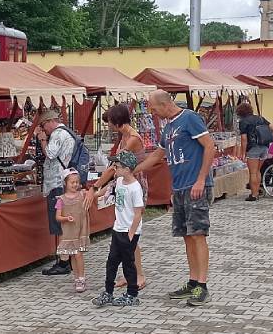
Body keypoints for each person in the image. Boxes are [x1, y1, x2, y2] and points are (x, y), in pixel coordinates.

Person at [90, 90, 214, 307]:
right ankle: (193, 281)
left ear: (165, 104)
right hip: (179, 186)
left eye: (154, 109)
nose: (153, 113)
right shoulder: (168, 127)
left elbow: (209, 146)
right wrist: (132, 170)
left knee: (198, 235)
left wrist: (201, 179)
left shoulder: (190, 118)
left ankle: (202, 286)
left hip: (194, 185)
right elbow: (157, 155)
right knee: (187, 235)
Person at [91, 151, 144, 308]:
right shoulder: (119, 181)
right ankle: (108, 292)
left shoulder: (135, 188)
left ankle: (132, 294)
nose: (115, 169)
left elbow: (138, 213)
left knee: (128, 263)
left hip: (128, 231)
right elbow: (106, 190)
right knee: (111, 262)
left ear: (127, 169)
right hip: (118, 228)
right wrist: (93, 194)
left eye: (118, 166)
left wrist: (131, 233)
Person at [104, 104, 148, 290]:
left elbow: (116, 165)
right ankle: (128, 273)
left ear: (116, 122)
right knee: (123, 232)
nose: (108, 125)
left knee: (132, 232)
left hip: (135, 184)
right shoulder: (123, 136)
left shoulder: (132, 138)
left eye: (109, 122)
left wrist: (98, 185)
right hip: (125, 183)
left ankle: (139, 275)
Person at [34, 109, 77, 276]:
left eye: (44, 126)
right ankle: (68, 258)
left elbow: (50, 154)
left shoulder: (58, 134)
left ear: (51, 121)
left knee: (59, 223)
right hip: (62, 182)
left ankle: (63, 262)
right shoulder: (67, 132)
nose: (44, 130)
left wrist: (43, 140)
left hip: (56, 183)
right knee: (64, 222)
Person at [54, 169, 91, 293]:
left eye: (77, 182)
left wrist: (107, 187)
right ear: (65, 183)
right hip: (69, 232)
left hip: (80, 231)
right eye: (72, 182)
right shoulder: (61, 200)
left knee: (78, 255)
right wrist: (66, 218)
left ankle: (82, 278)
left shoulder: (82, 195)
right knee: (73, 256)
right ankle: (76, 278)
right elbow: (57, 217)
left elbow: (95, 194)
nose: (75, 184)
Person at [237, 101, 273, 202]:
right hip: (264, 147)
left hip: (253, 148)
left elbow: (244, 139)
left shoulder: (243, 122)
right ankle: (257, 191)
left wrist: (243, 153)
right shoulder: (261, 118)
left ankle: (254, 194)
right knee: (257, 171)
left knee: (252, 173)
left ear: (240, 112)